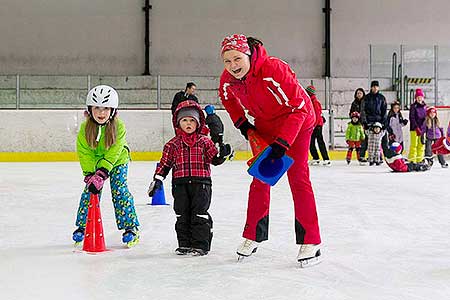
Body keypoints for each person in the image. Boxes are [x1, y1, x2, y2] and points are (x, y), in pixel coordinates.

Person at [218, 34, 321, 267]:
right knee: (260, 180)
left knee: (298, 178)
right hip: (265, 126)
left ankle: (311, 241)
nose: (233, 65)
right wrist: (242, 123)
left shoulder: (273, 69)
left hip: (299, 122)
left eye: (237, 59)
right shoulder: (228, 79)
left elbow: (299, 108)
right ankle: (253, 235)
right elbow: (226, 98)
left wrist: (282, 143)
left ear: (248, 55)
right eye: (227, 61)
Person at [147, 100, 226, 256]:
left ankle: (200, 245)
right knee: (182, 214)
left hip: (201, 184)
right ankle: (184, 244)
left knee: (199, 213)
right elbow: (164, 165)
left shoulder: (205, 142)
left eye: (192, 120)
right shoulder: (172, 145)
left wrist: (222, 154)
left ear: (198, 123)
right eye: (184, 120)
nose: (188, 123)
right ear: (178, 123)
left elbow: (214, 159)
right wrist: (157, 180)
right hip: (180, 185)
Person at [73, 85, 140, 247]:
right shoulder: (84, 128)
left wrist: (102, 173)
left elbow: (115, 151)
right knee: (90, 191)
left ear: (112, 110)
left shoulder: (119, 127)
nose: (101, 113)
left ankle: (130, 227)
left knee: (120, 190)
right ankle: (83, 226)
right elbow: (84, 152)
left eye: (105, 109)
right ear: (90, 109)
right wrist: (90, 175)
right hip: (94, 163)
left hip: (117, 161)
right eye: (97, 108)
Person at [360, 80, 387, 164]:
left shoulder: (382, 98)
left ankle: (382, 157)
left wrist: (384, 122)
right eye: (373, 86)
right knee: (367, 141)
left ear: (378, 87)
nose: (375, 88)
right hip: (369, 122)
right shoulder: (366, 98)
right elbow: (363, 110)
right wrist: (364, 122)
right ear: (371, 87)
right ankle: (362, 156)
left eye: (376, 86)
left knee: (382, 141)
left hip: (379, 122)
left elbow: (384, 110)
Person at [306, 85, 331, 166]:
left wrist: (313, 125)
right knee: (313, 142)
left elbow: (316, 115)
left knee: (317, 142)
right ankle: (318, 158)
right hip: (315, 125)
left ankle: (324, 158)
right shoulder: (311, 101)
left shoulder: (314, 102)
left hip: (316, 125)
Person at [408, 88, 427, 163]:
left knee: (421, 145)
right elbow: (412, 117)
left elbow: (426, 118)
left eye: (421, 97)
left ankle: (420, 160)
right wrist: (416, 127)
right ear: (416, 98)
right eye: (418, 97)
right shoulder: (413, 106)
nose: (419, 99)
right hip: (414, 129)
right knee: (414, 145)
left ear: (423, 98)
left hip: (422, 129)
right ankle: (412, 160)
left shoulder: (425, 106)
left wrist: (424, 128)